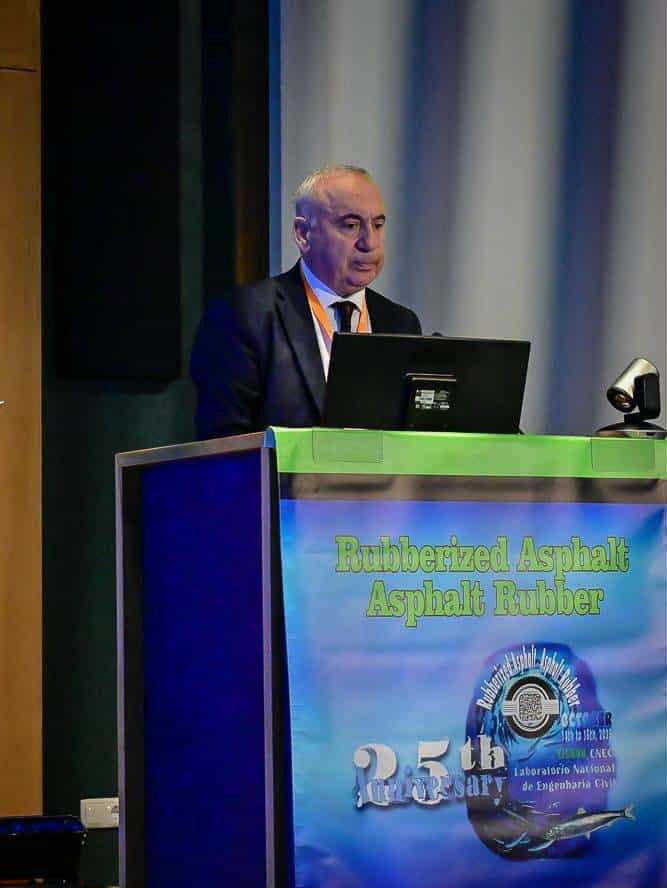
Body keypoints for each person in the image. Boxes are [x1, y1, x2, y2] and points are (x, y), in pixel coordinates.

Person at [191, 164, 422, 438]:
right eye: (351, 225)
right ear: (303, 234)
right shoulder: (247, 315)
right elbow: (225, 443)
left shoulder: (401, 323)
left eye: (378, 225)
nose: (369, 243)